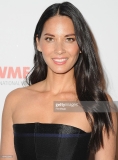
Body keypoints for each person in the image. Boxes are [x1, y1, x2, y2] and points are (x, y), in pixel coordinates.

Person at [0, 1, 117, 160]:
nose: (59, 50)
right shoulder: (15, 100)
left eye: (69, 39)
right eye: (50, 39)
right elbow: (7, 157)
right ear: (38, 43)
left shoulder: (98, 104)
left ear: (81, 44)